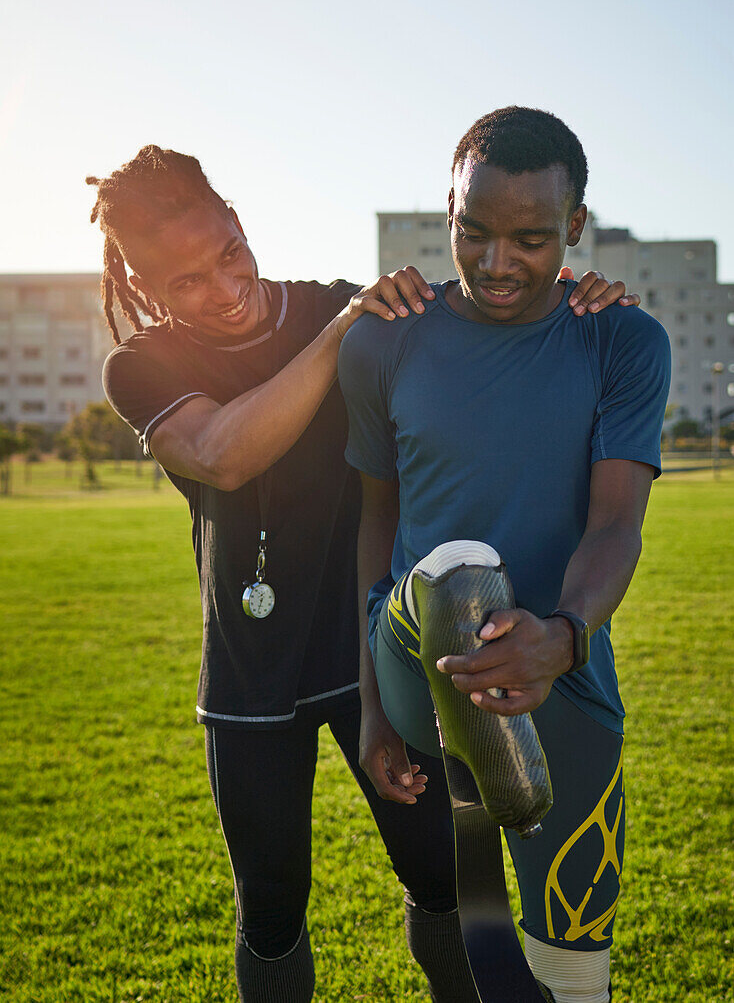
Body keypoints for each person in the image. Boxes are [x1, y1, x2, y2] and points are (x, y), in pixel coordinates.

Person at [91, 143, 639, 1003]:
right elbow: (218, 455)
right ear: (142, 282)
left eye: (227, 254)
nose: (224, 287)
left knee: (446, 881)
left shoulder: (357, 309)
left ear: (239, 221)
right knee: (270, 906)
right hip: (250, 667)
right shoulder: (145, 365)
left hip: (382, 643)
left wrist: (584, 304)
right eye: (184, 282)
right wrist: (341, 333)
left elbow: (489, 324)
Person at [338, 106, 671, 1003]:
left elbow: (616, 524)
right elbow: (376, 524)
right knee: (459, 570)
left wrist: (562, 638)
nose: (496, 264)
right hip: (416, 651)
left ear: (573, 229)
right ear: (446, 213)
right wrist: (371, 708)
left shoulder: (622, 340)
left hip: (563, 671)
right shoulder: (383, 337)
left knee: (570, 976)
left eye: (530, 239)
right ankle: (465, 641)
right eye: (472, 232)